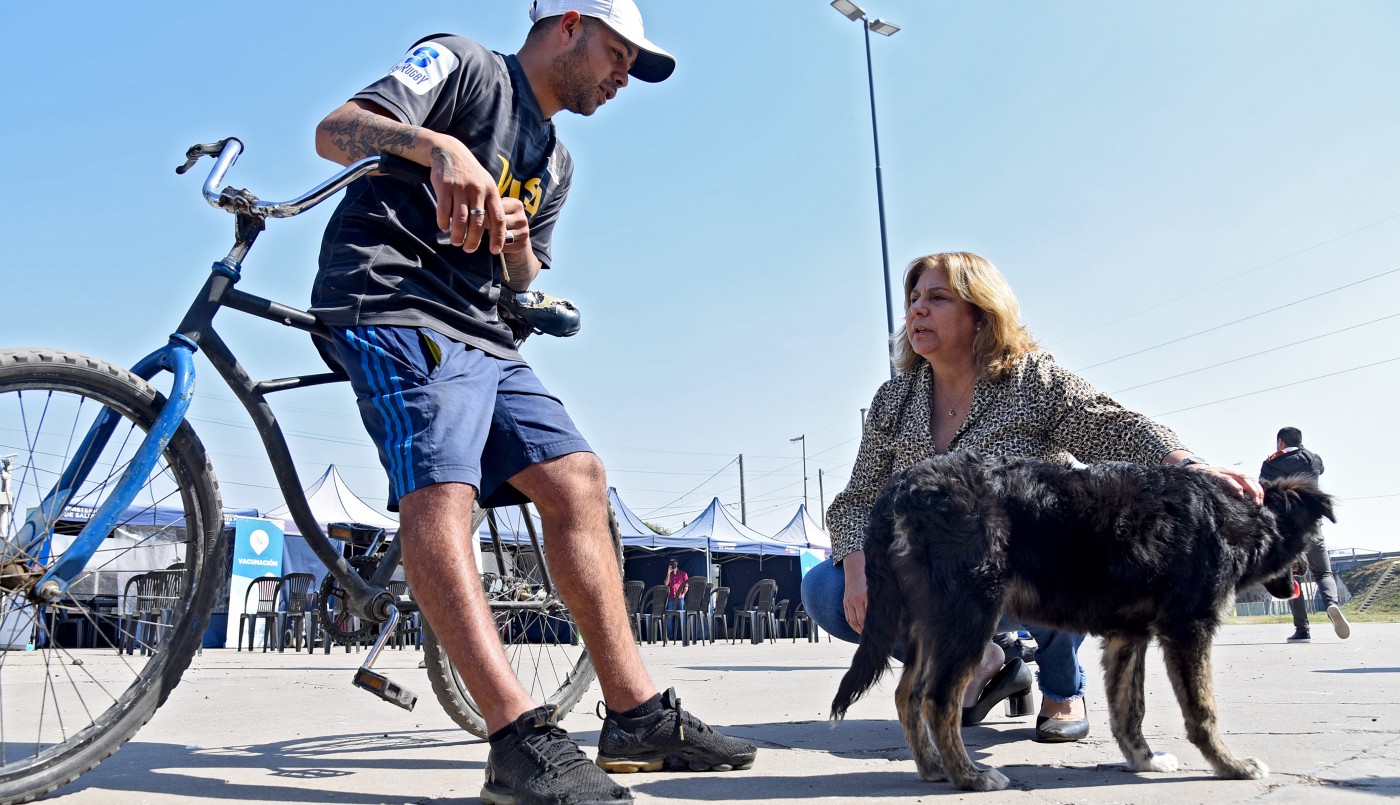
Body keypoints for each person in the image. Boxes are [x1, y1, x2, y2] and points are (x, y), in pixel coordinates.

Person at [308, 3, 754, 803]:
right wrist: (439, 148)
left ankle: (635, 715)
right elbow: (336, 130)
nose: (625, 77)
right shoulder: (462, 63)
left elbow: (524, 280)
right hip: (392, 296)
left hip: (483, 329)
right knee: (441, 488)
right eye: (620, 55)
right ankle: (515, 739)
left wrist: (514, 244)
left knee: (579, 476)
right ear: (570, 25)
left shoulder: (556, 161)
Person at [802, 251, 1263, 744]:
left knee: (1057, 547)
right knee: (826, 595)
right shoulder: (893, 400)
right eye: (914, 298)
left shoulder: (1031, 380)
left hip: (1028, 562)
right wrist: (856, 569)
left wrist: (1189, 465)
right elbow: (859, 497)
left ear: (980, 312)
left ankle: (1063, 690)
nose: (916, 310)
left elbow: (1113, 423)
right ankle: (985, 661)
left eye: (937, 298)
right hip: (939, 570)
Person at [1261, 427, 1349, 642]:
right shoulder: (1313, 459)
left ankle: (1302, 630)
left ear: (1280, 442)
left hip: (1287, 531)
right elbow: (1321, 468)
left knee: (1292, 576)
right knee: (1324, 573)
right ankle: (1331, 605)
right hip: (1313, 525)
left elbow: (1262, 490)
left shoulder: (1271, 463)